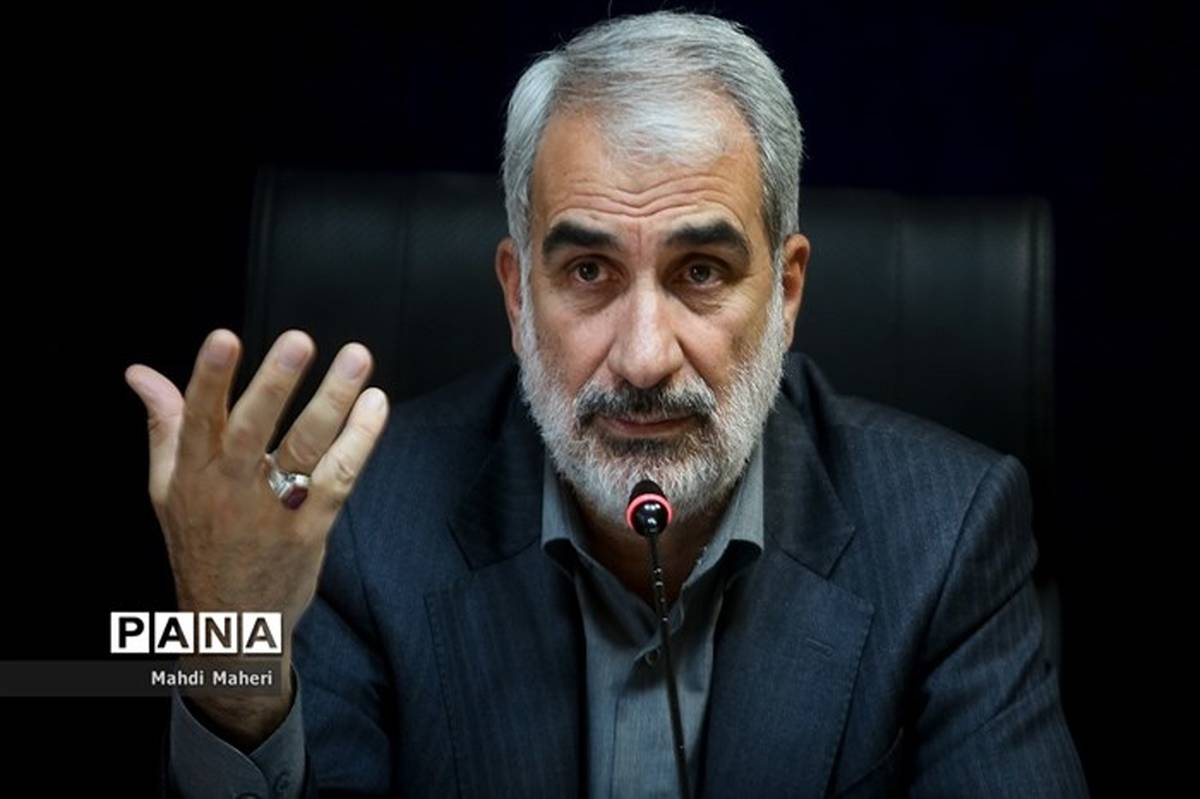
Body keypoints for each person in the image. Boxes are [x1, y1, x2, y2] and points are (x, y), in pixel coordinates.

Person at [125, 11, 1089, 798]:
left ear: (787, 292)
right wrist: (226, 655)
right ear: (517, 297)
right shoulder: (355, 521)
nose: (642, 357)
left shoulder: (949, 532)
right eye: (588, 271)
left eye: (701, 270)